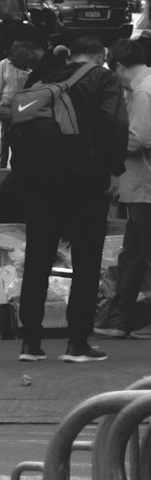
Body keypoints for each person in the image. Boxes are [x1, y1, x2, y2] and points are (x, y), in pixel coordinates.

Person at [12, 34, 129, 363]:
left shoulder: (49, 79)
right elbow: (114, 122)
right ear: (100, 56)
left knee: (38, 261)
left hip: (40, 183)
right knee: (86, 262)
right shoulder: (103, 77)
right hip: (84, 183)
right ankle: (78, 343)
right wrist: (113, 169)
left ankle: (30, 343)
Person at [98, 40, 151, 340]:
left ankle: (126, 320)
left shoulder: (143, 91)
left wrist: (108, 148)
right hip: (140, 187)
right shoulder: (144, 87)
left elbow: (138, 139)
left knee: (143, 254)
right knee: (132, 255)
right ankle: (118, 320)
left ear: (118, 66)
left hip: (145, 186)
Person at [0, 38, 45, 168]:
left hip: (24, 103)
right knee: (5, 134)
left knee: (22, 133)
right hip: (7, 102)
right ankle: (3, 160)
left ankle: (19, 158)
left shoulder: (29, 64)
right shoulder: (4, 64)